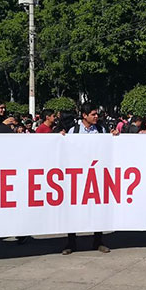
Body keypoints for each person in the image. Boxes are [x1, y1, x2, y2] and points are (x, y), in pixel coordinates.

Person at [63, 102, 116, 254]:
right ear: (84, 116)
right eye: (93, 114)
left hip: (96, 174)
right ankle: (71, 242)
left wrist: (114, 137)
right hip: (78, 176)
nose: (96, 117)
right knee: (73, 209)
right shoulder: (74, 130)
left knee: (97, 207)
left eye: (96, 114)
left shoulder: (101, 129)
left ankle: (98, 241)